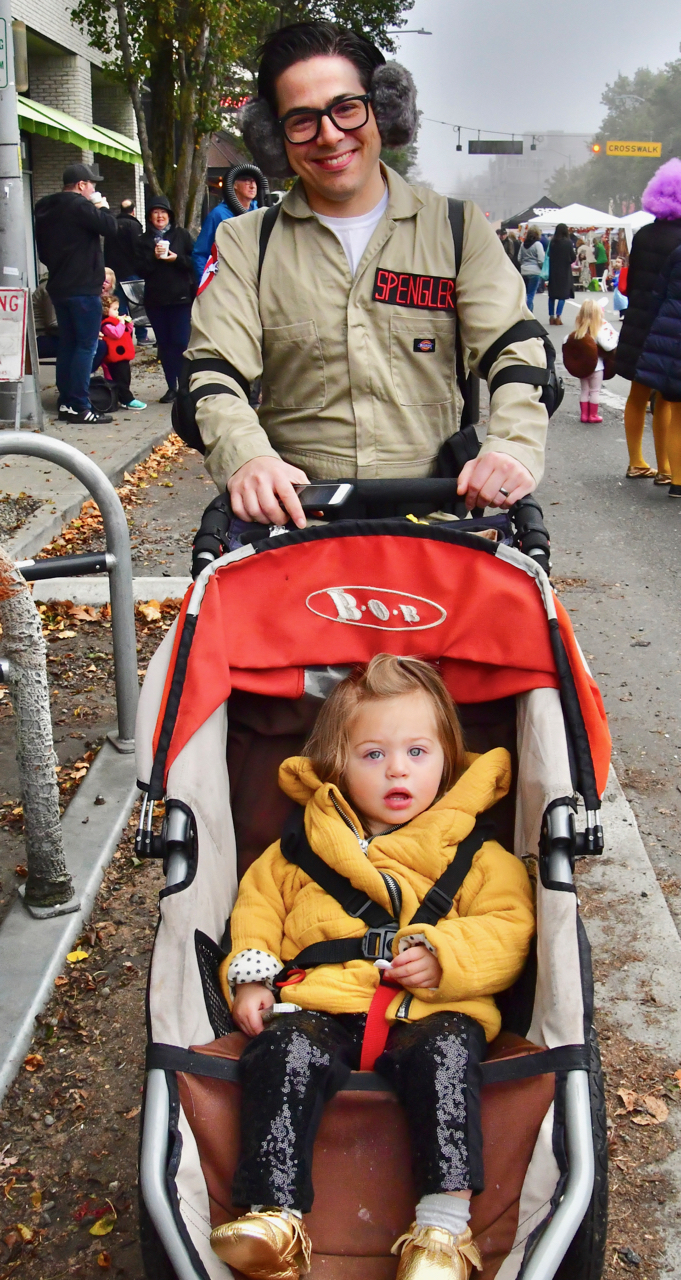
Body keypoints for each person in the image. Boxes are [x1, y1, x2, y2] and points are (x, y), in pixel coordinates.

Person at [211, 654, 534, 1280]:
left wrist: (445, 956)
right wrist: (251, 975)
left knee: (446, 1057)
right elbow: (255, 910)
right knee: (283, 1051)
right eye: (372, 754)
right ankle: (274, 1215)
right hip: (319, 1002)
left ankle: (442, 1231)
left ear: (448, 759)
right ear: (338, 764)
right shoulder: (298, 849)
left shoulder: (477, 852)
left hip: (430, 1008)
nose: (397, 770)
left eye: (418, 752)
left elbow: (509, 927)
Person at [186, 21, 550, 527]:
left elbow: (516, 349)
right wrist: (246, 457)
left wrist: (510, 446)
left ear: (383, 109)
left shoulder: (459, 230)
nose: (330, 135)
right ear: (274, 139)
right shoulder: (247, 244)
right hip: (295, 531)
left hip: (440, 528)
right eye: (302, 120)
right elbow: (213, 371)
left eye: (346, 108)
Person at [34, 162, 117, 424]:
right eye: (92, 184)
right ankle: (80, 405)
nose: (94, 188)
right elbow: (111, 227)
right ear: (81, 185)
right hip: (83, 287)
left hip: (59, 286)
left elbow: (44, 253)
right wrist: (101, 205)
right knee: (86, 346)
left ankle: (66, 403)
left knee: (68, 346)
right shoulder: (80, 205)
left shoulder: (45, 209)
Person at [615, 158, 681, 484]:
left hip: (638, 321)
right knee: (667, 398)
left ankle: (636, 461)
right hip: (668, 326)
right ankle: (667, 468)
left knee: (638, 395)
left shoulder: (642, 235)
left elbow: (633, 278)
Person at [136, 195, 195, 403]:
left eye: (163, 212)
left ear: (169, 215)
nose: (160, 216)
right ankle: (171, 386)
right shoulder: (143, 240)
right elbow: (141, 269)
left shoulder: (181, 235)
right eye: (155, 212)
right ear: (150, 216)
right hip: (156, 300)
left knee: (181, 342)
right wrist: (154, 256)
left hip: (180, 299)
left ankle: (184, 385)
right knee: (165, 344)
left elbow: (194, 262)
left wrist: (176, 258)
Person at [635, 242, 681, 498]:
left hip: (671, 334)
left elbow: (658, 295)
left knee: (677, 409)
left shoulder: (676, 253)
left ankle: (677, 480)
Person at [192, 167, 259, 282]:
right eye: (247, 181)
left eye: (254, 181)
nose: (252, 186)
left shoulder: (260, 212)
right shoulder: (218, 215)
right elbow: (201, 253)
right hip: (228, 282)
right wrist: (206, 285)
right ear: (234, 185)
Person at [562, 298, 618, 422]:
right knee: (595, 391)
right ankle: (593, 415)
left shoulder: (577, 334)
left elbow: (565, 341)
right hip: (597, 368)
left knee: (584, 390)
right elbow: (609, 346)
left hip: (583, 368)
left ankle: (584, 415)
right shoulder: (597, 333)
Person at [104, 199, 149, 343]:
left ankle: (123, 336)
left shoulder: (112, 224)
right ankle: (142, 336)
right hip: (132, 271)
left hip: (115, 272)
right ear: (133, 211)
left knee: (119, 306)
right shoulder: (134, 226)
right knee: (137, 306)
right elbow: (137, 249)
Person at [100, 294, 147, 410]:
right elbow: (116, 334)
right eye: (114, 310)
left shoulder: (116, 322)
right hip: (115, 357)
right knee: (120, 378)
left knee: (125, 377)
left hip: (123, 356)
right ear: (106, 311)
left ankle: (122, 397)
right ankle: (127, 399)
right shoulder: (106, 324)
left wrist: (128, 323)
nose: (117, 312)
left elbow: (126, 331)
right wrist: (121, 323)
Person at [547, 223, 576, 326]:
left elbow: (549, 255)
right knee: (562, 295)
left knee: (552, 295)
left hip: (553, 271)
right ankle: (558, 316)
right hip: (564, 271)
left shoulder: (553, 242)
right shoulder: (568, 243)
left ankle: (551, 317)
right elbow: (573, 257)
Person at [518, 225, 545, 312]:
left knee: (526, 294)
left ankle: (528, 311)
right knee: (531, 295)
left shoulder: (523, 244)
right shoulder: (538, 244)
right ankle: (528, 313)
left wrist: (524, 264)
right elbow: (541, 259)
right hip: (534, 272)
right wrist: (541, 268)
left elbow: (519, 258)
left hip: (524, 271)